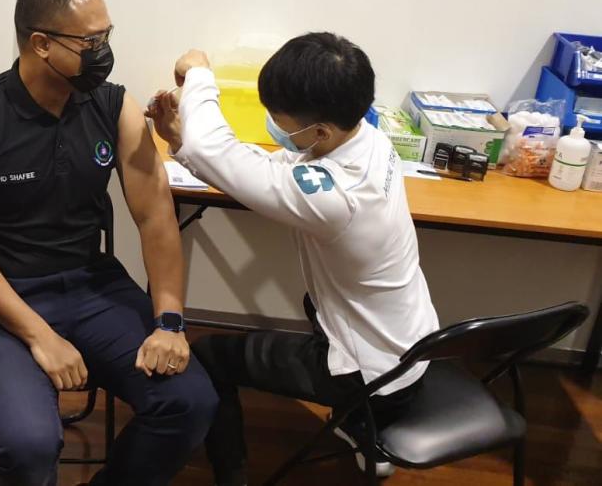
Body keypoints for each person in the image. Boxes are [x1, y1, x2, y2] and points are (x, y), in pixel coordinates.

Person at [0, 0, 218, 486]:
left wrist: (170, 321)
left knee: (190, 401)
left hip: (92, 289)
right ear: (41, 44)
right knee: (28, 444)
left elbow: (155, 216)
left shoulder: (113, 107)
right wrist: (40, 335)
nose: (103, 50)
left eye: (107, 34)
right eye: (90, 40)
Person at [147, 33, 441, 485]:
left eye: (279, 119)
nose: (272, 125)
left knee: (209, 355)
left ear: (322, 130)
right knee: (313, 302)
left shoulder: (336, 197)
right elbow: (282, 167)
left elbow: (220, 154)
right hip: (414, 346)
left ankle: (235, 473)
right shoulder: (372, 141)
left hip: (372, 376)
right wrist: (183, 140)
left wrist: (200, 75)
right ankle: (365, 425)